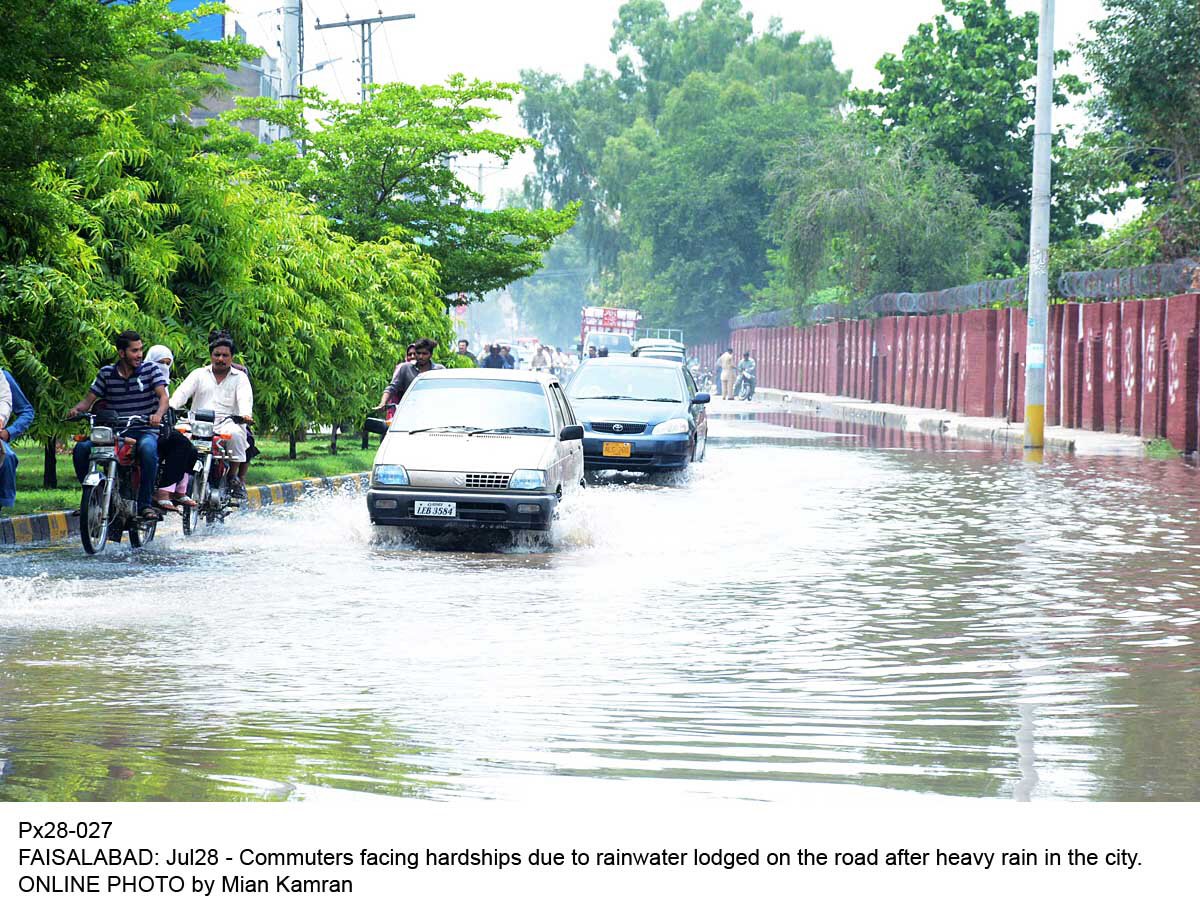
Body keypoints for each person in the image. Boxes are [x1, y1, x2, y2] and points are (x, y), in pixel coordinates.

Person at [67, 330, 169, 520]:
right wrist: (76, 410)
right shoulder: (106, 373)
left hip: (143, 429)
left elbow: (163, 397)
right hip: (113, 432)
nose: (139, 355)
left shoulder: (151, 370)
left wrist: (157, 414)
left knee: (148, 450)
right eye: (134, 351)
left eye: (140, 350)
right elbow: (87, 401)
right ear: (122, 353)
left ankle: (145, 504)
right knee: (81, 449)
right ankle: (92, 498)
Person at [170, 336, 254, 500]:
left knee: (236, 435)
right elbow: (182, 393)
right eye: (217, 355)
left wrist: (245, 415)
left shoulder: (240, 378)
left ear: (232, 357)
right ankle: (174, 481)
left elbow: (244, 398)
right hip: (197, 422)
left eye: (225, 355)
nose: (220, 359)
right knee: (175, 436)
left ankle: (233, 477)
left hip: (227, 422)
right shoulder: (199, 374)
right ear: (211, 356)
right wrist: (172, 406)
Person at [145, 345, 199, 512]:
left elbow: (167, 403)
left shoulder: (164, 384)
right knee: (180, 444)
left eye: (168, 363)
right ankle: (164, 490)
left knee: (190, 449)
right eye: (160, 362)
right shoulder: (142, 377)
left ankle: (177, 490)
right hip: (141, 427)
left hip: (160, 427)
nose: (163, 367)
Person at [0, 368, 34, 512]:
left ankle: (3, 500)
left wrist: (9, 432)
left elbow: (27, 411)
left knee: (7, 457)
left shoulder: (3, 376)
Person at [376, 337, 444, 408]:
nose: (421, 356)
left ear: (431, 355)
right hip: (409, 411)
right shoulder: (405, 368)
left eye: (424, 354)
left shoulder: (439, 370)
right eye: (418, 353)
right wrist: (383, 402)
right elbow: (392, 388)